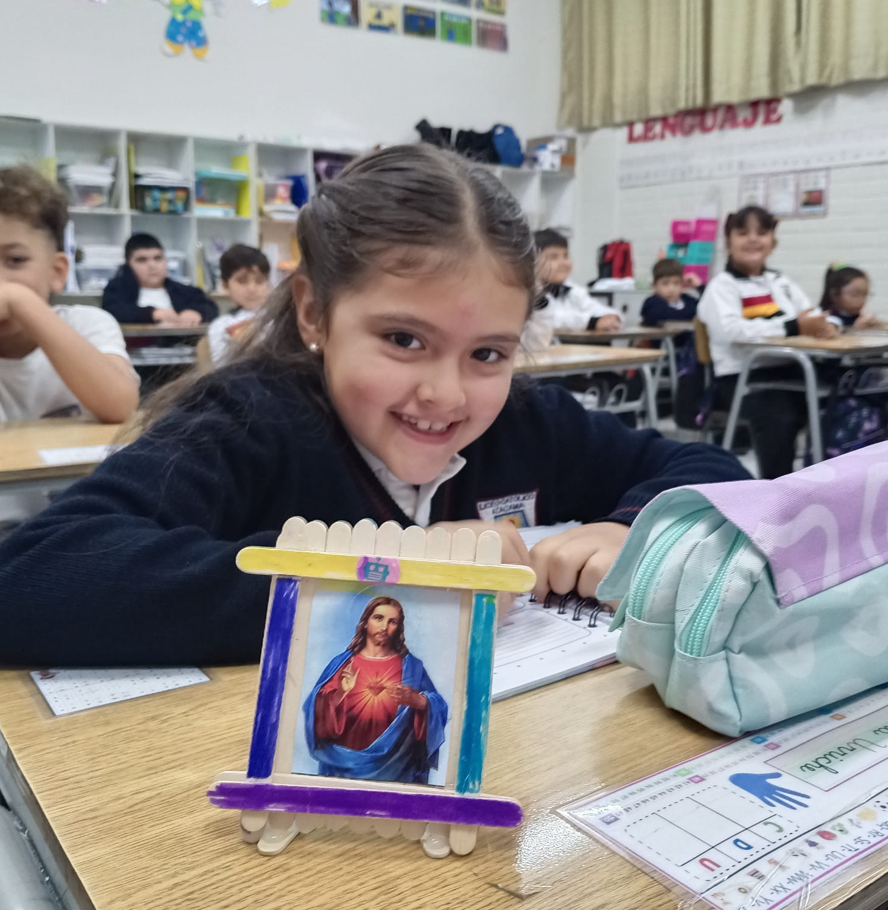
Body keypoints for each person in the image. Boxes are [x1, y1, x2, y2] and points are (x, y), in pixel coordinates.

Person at [0, 145, 750, 668]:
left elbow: (710, 466)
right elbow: (31, 577)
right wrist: (388, 576)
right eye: (402, 339)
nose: (446, 394)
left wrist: (632, 529)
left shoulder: (525, 419)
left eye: (488, 353)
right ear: (314, 312)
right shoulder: (246, 421)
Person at [698, 206, 838, 479]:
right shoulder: (722, 286)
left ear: (773, 243)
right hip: (742, 378)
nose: (753, 239)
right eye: (743, 233)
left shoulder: (780, 282)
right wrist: (794, 326)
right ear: (728, 243)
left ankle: (830, 483)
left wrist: (828, 325)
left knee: (840, 398)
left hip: (791, 371)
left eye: (762, 233)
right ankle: (778, 491)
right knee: (780, 416)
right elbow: (732, 331)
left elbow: (811, 314)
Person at [0, 165, 139, 424]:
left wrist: (21, 300)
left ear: (57, 271)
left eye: (15, 260)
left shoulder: (88, 324)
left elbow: (120, 406)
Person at [304, 596, 447, 784]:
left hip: (396, 767)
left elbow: (439, 707)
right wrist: (340, 693)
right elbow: (315, 711)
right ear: (365, 622)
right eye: (379, 618)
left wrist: (419, 701)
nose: (384, 627)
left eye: (392, 622)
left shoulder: (412, 667)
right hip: (343, 766)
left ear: (399, 628)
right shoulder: (342, 664)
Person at [525, 229, 622, 350]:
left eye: (566, 256)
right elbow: (553, 319)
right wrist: (592, 322)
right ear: (533, 262)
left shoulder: (573, 290)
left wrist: (611, 317)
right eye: (553, 257)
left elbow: (599, 309)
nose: (563, 263)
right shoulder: (529, 292)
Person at [101, 232, 218, 326]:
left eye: (158, 258)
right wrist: (152, 313)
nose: (152, 265)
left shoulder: (184, 291)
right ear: (128, 265)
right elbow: (112, 312)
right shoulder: (117, 289)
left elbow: (210, 307)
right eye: (142, 260)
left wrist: (197, 313)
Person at [208, 244, 271, 364]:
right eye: (242, 281)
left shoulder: (277, 320)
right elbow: (220, 366)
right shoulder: (220, 326)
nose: (252, 289)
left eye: (260, 281)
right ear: (225, 286)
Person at [641, 258, 698, 327]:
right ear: (655, 285)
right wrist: (692, 315)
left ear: (682, 284)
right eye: (665, 283)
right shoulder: (652, 303)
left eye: (676, 283)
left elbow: (705, 311)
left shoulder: (690, 301)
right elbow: (667, 315)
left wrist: (699, 287)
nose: (671, 289)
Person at [820, 264, 880, 330]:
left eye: (865, 294)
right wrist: (855, 329)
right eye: (855, 294)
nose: (861, 300)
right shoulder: (826, 320)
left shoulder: (859, 318)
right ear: (835, 295)